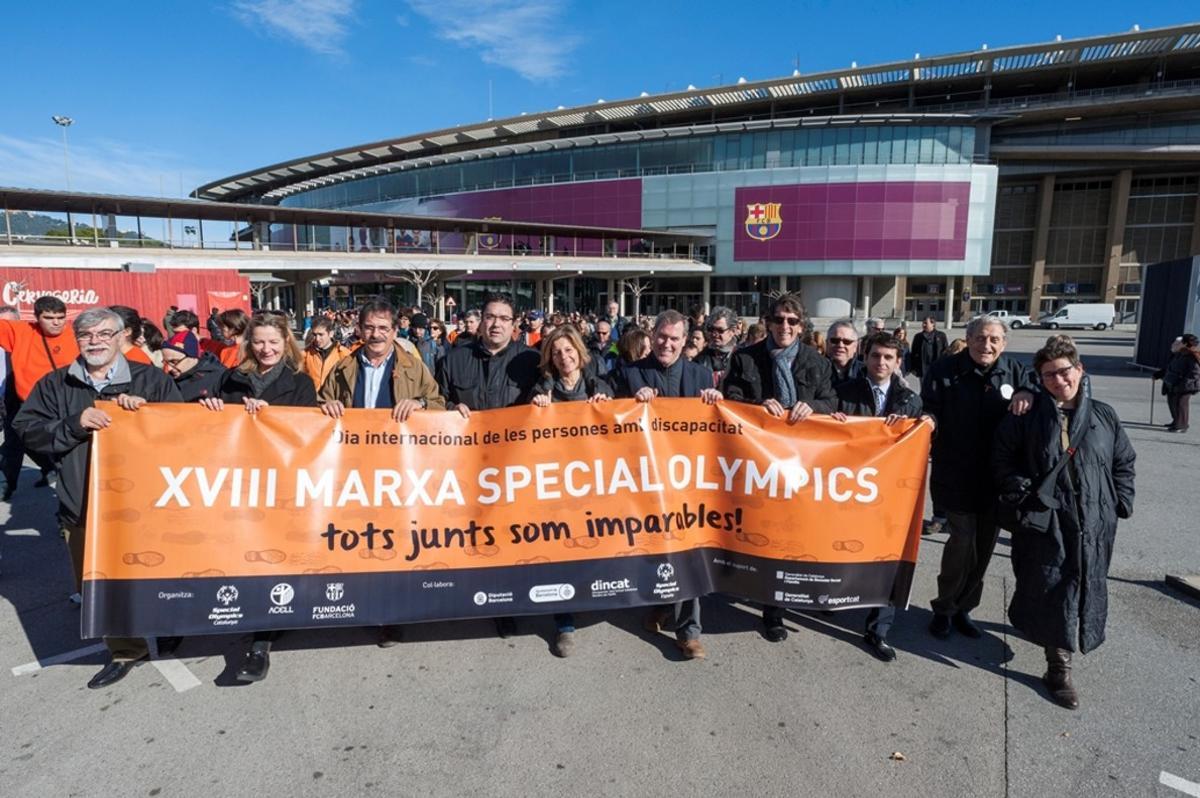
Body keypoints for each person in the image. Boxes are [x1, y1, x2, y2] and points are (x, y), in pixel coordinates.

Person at [13, 307, 183, 688]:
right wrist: (74, 424)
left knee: (157, 572)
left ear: (122, 336)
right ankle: (126, 650)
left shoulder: (150, 380)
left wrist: (147, 417)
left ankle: (172, 627)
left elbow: (182, 431)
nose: (96, 341)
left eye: (105, 334)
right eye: (87, 335)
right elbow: (27, 429)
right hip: (82, 503)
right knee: (98, 583)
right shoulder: (56, 385)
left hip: (145, 504)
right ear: (77, 341)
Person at [993, 336, 1135, 709]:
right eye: (1049, 375)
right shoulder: (1026, 416)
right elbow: (1002, 459)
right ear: (1039, 379)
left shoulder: (1103, 415)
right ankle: (1058, 669)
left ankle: (1069, 642)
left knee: (1086, 583)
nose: (1059, 380)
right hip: (1048, 519)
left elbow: (1124, 460)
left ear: (1079, 370)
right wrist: (1019, 488)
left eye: (1064, 371)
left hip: (1095, 519)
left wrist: (1122, 501)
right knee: (1052, 585)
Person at [319, 299, 446, 648]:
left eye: (383, 328)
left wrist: (420, 404)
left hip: (398, 469)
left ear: (395, 331)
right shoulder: (343, 366)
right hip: (354, 468)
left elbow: (439, 404)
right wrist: (325, 407)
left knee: (394, 541)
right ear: (360, 329)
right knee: (359, 537)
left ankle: (391, 615)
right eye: (370, 327)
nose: (376, 334)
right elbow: (316, 407)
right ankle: (362, 603)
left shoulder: (412, 366)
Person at [200, 313, 318, 683]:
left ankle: (260, 644)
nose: (266, 349)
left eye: (274, 342)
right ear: (249, 343)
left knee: (273, 561)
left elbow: (308, 434)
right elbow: (209, 426)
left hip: (281, 485)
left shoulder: (300, 382)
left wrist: (274, 418)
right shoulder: (230, 378)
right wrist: (214, 409)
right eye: (259, 342)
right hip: (240, 483)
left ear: (286, 344)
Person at [724, 294, 837, 642]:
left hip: (804, 462)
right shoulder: (745, 358)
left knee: (799, 533)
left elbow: (832, 401)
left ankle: (801, 594)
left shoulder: (816, 361)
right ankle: (771, 609)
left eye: (792, 321)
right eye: (779, 319)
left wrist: (811, 406)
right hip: (760, 463)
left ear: (801, 327)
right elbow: (729, 398)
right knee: (767, 536)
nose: (785, 326)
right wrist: (758, 406)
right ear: (768, 322)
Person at [922, 315, 1036, 640]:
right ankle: (943, 607)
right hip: (955, 475)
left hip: (996, 480)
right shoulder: (945, 370)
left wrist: (1028, 391)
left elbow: (1040, 385)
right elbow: (928, 406)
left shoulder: (1015, 372)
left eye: (994, 340)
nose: (986, 345)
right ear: (969, 338)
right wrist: (928, 419)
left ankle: (964, 609)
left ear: (1003, 343)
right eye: (980, 338)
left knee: (984, 548)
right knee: (962, 542)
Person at [620, 309, 721, 660]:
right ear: (653, 335)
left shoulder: (700, 374)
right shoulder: (630, 373)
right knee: (655, 549)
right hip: (645, 481)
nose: (667, 343)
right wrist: (625, 401)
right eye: (662, 337)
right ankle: (661, 604)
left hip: (686, 481)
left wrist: (715, 404)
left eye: (674, 339)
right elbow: (606, 411)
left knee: (687, 550)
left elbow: (715, 425)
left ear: (684, 341)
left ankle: (689, 631)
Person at [437, 293, 540, 638]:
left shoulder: (531, 360)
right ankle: (461, 594)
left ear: (515, 324)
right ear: (481, 320)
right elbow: (437, 400)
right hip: (463, 466)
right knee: (465, 532)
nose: (496, 324)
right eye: (490, 317)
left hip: (511, 467)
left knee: (505, 537)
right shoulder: (454, 357)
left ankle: (503, 605)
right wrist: (450, 407)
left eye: (504, 318)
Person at [829, 333, 925, 662]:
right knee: (840, 548)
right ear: (865, 358)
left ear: (898, 363)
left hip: (889, 496)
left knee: (886, 560)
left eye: (888, 357)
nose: (880, 363)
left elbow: (924, 437)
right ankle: (833, 598)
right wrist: (832, 423)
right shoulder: (843, 393)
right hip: (846, 490)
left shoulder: (909, 400)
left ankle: (878, 629)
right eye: (875, 356)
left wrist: (925, 423)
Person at [530, 326, 614, 657]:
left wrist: (605, 405)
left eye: (568, 351)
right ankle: (565, 625)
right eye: (556, 352)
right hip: (556, 485)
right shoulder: (543, 390)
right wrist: (537, 405)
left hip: (594, 482)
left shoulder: (599, 385)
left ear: (579, 352)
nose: (563, 358)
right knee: (561, 552)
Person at [0, 296, 77, 500]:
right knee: (16, 442)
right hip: (30, 403)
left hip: (68, 403)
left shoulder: (76, 334)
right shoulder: (21, 331)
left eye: (61, 317)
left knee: (68, 451)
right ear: (36, 317)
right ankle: (5, 486)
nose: (56, 322)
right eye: (49, 317)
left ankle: (66, 488)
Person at [161, 331, 228, 402]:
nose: (169, 368)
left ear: (193, 357)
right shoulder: (166, 381)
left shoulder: (220, 378)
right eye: (166, 362)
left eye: (174, 362)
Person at [1162, 333, 1200, 433]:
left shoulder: (1192, 356)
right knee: (1173, 403)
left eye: (1182, 341)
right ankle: (1176, 422)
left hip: (1186, 385)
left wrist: (1184, 383)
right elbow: (1171, 366)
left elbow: (1195, 373)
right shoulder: (1181, 353)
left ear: (1186, 343)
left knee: (1181, 405)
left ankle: (1182, 425)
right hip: (1175, 382)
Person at [302, 317, 353, 392]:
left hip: (334, 401)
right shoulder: (305, 354)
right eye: (314, 334)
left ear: (331, 334)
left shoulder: (344, 354)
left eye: (321, 334)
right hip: (312, 400)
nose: (317, 339)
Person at [693, 306, 739, 387]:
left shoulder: (743, 357)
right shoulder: (700, 359)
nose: (714, 334)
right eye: (711, 329)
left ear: (732, 331)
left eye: (720, 330)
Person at [825, 319, 865, 388]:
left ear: (856, 346)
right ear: (827, 343)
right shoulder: (814, 371)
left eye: (847, 342)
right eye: (835, 340)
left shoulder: (865, 372)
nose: (840, 345)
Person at [909, 316, 949, 382]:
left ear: (933, 323)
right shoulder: (918, 337)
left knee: (937, 389)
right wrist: (913, 368)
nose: (923, 325)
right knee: (924, 388)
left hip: (936, 367)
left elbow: (946, 351)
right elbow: (913, 353)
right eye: (923, 323)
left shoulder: (941, 335)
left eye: (925, 323)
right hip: (922, 368)